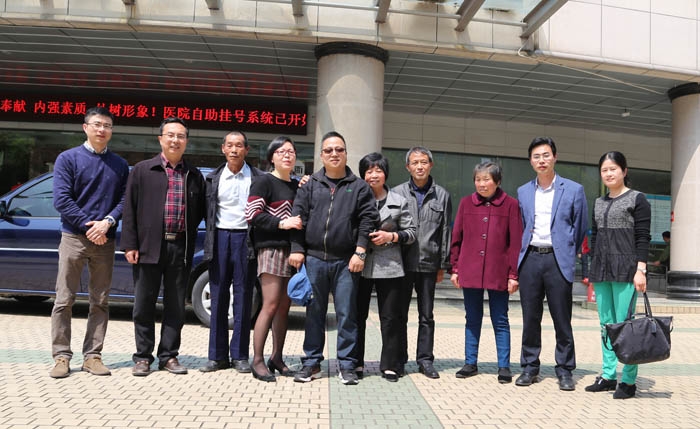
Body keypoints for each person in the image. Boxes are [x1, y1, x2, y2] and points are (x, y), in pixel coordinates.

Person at [289, 131, 379, 385]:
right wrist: (297, 248)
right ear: (321, 155)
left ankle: (347, 365)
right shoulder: (310, 185)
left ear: (346, 154)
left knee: (347, 314)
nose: (334, 154)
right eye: (328, 150)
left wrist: (360, 251)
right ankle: (311, 363)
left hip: (346, 262)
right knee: (314, 314)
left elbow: (368, 220)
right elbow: (298, 217)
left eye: (339, 149)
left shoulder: (359, 187)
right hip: (314, 259)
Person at [121, 117, 206, 377]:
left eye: (180, 136)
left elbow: (200, 212)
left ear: (186, 141)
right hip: (148, 247)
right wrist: (130, 244)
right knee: (143, 304)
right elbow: (129, 209)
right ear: (160, 139)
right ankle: (142, 357)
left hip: (180, 247)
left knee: (176, 306)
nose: (175, 140)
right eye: (170, 135)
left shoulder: (194, 175)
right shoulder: (142, 170)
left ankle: (169, 356)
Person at [49, 107, 129, 378]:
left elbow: (124, 200)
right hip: (73, 237)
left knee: (101, 300)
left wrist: (107, 222)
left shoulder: (119, 164)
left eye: (107, 125)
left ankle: (93, 356)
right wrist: (90, 226)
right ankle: (61, 356)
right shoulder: (67, 158)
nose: (101, 129)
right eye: (97, 124)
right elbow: (62, 199)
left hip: (105, 239)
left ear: (111, 131)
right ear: (85, 127)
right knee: (64, 299)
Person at [516, 136, 587, 391]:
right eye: (536, 156)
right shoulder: (523, 191)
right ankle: (529, 366)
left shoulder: (574, 189)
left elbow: (580, 227)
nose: (541, 160)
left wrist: (567, 251)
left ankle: (565, 369)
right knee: (530, 318)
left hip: (558, 260)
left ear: (555, 157)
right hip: (531, 259)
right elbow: (522, 225)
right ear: (531, 161)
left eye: (546, 155)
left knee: (561, 318)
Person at [585, 151, 651, 399]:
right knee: (606, 325)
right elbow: (595, 236)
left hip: (626, 270)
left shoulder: (637, 199)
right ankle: (608, 375)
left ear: (624, 171)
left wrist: (641, 270)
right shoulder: (598, 202)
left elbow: (642, 237)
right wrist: (592, 267)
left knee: (625, 325)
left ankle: (629, 381)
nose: (609, 173)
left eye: (613, 168)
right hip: (602, 270)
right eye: (604, 170)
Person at [449, 161, 522, 384]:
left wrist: (513, 274)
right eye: (478, 180)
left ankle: (504, 366)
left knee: (500, 319)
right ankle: (470, 363)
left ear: (497, 181)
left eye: (486, 179)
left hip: (498, 271)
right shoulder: (466, 203)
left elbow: (515, 243)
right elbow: (457, 237)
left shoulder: (511, 205)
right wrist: (455, 268)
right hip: (470, 270)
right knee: (472, 318)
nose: (481, 184)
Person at [198, 131, 264, 375]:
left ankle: (239, 356)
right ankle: (216, 357)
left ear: (247, 150)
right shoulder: (212, 178)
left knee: (244, 296)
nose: (234, 150)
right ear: (223, 148)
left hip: (246, 238)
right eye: (230, 145)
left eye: (239, 145)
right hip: (219, 238)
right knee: (218, 296)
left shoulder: (258, 178)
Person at [244, 136, 303, 382]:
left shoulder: (298, 185)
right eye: (281, 152)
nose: (287, 155)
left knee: (284, 308)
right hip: (270, 250)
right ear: (272, 157)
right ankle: (257, 360)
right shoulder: (263, 181)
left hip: (293, 252)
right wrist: (282, 222)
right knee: (269, 305)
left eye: (291, 151)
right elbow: (251, 214)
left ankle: (277, 357)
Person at [355, 152, 416, 382]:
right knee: (356, 316)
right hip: (360, 265)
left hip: (390, 266)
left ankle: (390, 364)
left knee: (390, 318)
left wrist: (391, 236)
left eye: (378, 170)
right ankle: (355, 362)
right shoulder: (355, 199)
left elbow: (411, 233)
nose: (373, 175)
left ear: (385, 174)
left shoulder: (399, 201)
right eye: (369, 171)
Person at [392, 146, 452, 379]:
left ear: (431, 165)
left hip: (429, 263)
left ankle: (425, 360)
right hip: (402, 264)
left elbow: (445, 231)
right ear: (408, 167)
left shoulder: (442, 195)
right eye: (415, 162)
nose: (420, 166)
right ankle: (399, 359)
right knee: (399, 315)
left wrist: (442, 265)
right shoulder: (397, 193)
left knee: (426, 316)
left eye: (424, 162)